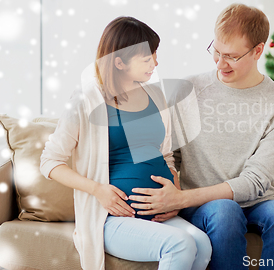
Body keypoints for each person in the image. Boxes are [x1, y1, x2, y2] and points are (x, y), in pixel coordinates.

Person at [128, 4, 274, 269]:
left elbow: (255, 181)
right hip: (205, 208)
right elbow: (168, 152)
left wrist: (181, 198)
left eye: (231, 56)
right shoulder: (188, 90)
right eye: (216, 51)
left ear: (258, 50)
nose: (221, 63)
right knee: (224, 210)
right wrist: (173, 190)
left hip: (255, 202)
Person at [39, 16, 211, 270]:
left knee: (203, 244)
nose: (155, 62)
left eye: (154, 54)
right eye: (147, 58)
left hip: (160, 213)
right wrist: (98, 190)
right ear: (119, 62)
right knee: (181, 244)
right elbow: (49, 162)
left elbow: (165, 155)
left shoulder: (155, 95)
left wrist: (173, 192)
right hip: (112, 218)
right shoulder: (86, 100)